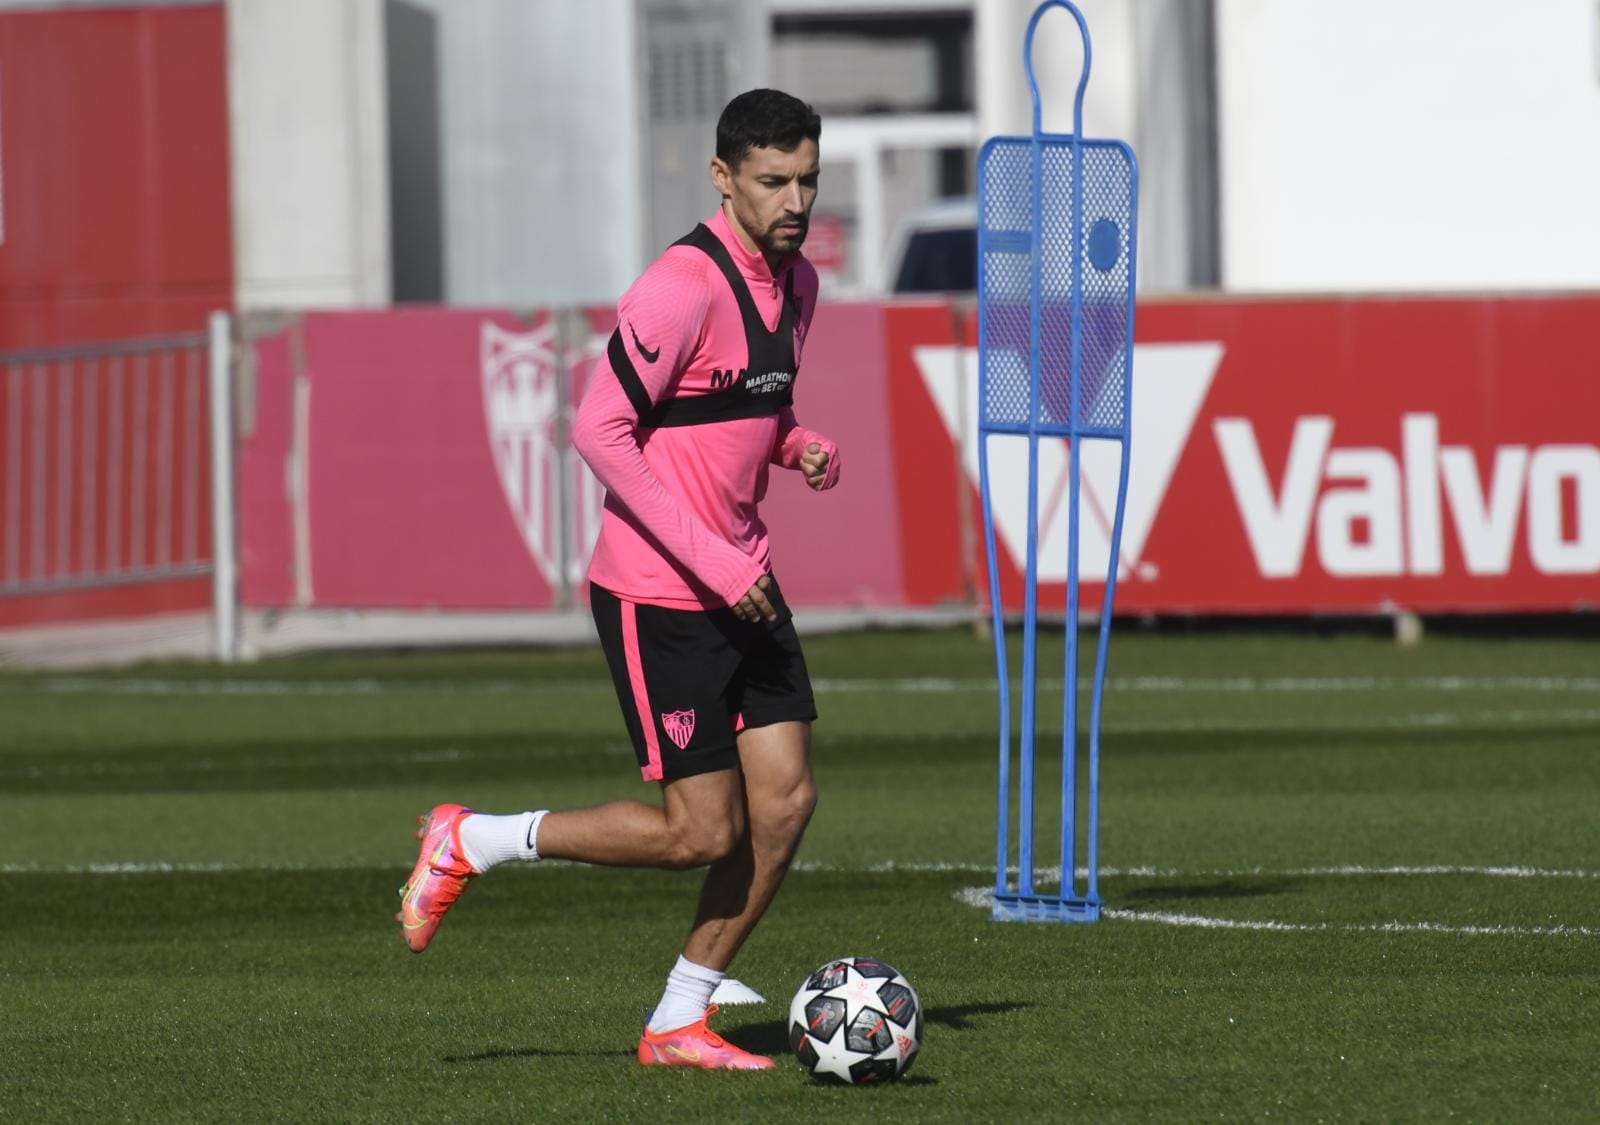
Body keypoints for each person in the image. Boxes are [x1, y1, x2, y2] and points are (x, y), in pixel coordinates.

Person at [395, 88, 839, 1072]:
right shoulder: (679, 286)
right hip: (659, 591)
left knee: (782, 806)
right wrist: (712, 557)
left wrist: (797, 444)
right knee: (700, 833)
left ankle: (678, 1020)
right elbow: (599, 430)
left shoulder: (800, 284)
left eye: (808, 180)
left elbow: (749, 408)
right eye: (774, 181)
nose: (796, 201)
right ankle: (474, 840)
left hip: (745, 580)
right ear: (722, 178)